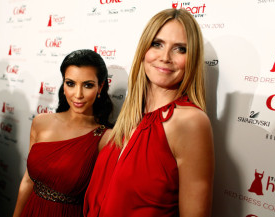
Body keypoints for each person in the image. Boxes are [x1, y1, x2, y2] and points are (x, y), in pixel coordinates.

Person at [83, 8, 214, 217]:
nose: (165, 57)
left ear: (192, 59)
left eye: (180, 49)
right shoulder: (129, 114)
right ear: (144, 49)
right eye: (157, 44)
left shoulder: (190, 122)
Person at [13, 49, 113, 217]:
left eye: (88, 85)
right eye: (71, 83)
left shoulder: (106, 138)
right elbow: (28, 180)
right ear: (63, 84)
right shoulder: (41, 122)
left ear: (100, 87)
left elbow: (101, 200)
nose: (78, 94)